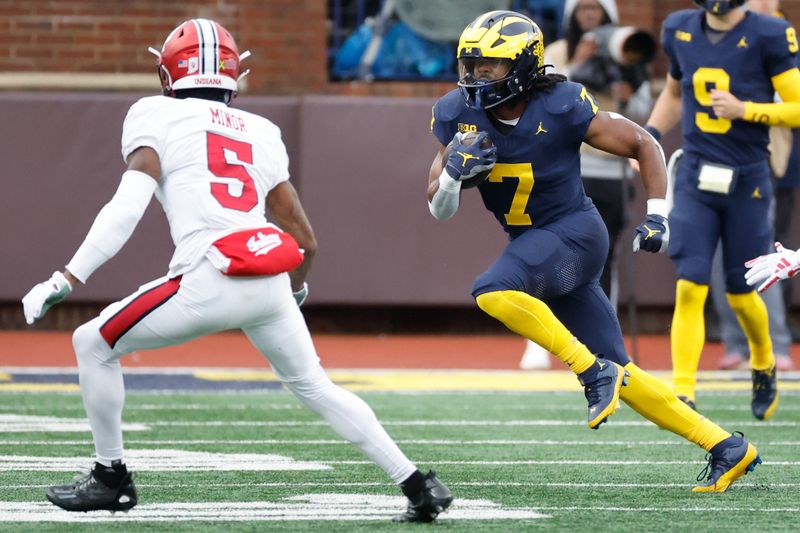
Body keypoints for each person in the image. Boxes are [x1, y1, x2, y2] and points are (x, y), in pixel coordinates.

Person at [21, 18, 452, 522]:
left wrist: (66, 277)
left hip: (210, 273)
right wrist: (291, 293)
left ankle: (110, 477)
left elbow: (127, 205)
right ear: (233, 73)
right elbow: (302, 235)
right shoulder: (262, 131)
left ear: (167, 76)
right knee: (315, 386)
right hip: (267, 274)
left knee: (92, 343)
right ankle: (418, 484)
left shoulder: (154, 114)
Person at [429, 9, 761, 492]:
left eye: (491, 67)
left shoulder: (561, 104)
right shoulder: (455, 113)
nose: (477, 77)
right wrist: (453, 178)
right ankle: (727, 446)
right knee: (624, 372)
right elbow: (439, 209)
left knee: (491, 291)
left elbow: (644, 143)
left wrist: (658, 214)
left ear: (523, 65)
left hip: (576, 233)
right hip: (534, 243)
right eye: (472, 66)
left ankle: (590, 371)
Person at [641, 0, 800, 419]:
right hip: (695, 176)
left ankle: (763, 362)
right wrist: (649, 137)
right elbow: (675, 92)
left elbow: (798, 106)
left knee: (742, 292)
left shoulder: (768, 33)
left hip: (747, 180)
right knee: (689, 284)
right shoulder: (679, 28)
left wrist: (746, 110)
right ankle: (684, 394)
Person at [713, 0, 796, 372]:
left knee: (770, 254)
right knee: (721, 256)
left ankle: (776, 343)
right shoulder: (716, 33)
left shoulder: (781, 36)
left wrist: (744, 107)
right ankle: (735, 341)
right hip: (720, 158)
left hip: (771, 160)